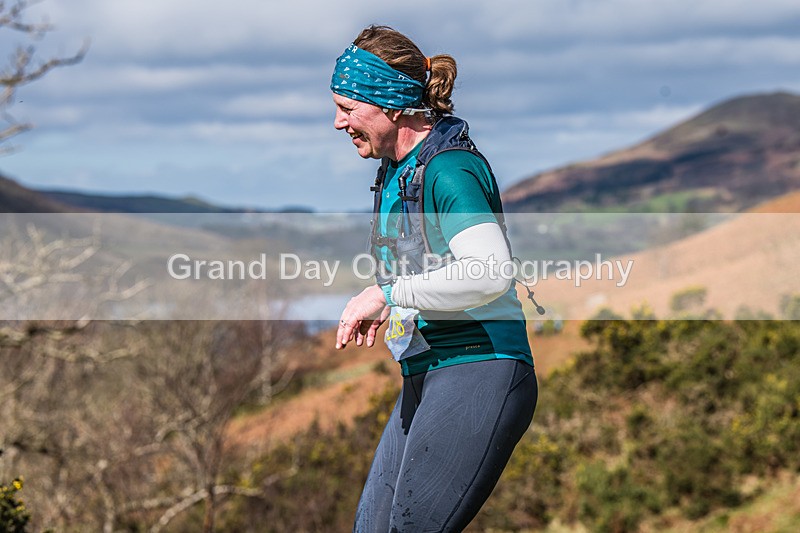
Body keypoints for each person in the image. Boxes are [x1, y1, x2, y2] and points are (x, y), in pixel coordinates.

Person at [331, 25, 538, 532]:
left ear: (390, 105)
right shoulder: (397, 171)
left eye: (348, 108)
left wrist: (388, 292)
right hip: (425, 372)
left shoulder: (449, 170)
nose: (338, 123)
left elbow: (490, 272)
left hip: (480, 366)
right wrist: (396, 301)